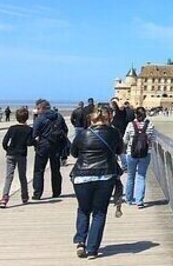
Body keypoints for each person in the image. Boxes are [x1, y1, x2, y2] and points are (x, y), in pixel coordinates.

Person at [70, 107, 124, 259]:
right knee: (99, 213)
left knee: (83, 209)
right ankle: (92, 249)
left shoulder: (82, 134)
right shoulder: (113, 133)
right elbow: (120, 150)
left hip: (82, 176)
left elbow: (74, 153)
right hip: (105, 176)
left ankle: (81, 242)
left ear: (91, 120)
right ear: (106, 119)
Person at [31, 99, 69, 200]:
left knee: (39, 170)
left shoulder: (40, 118)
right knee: (55, 169)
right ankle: (56, 191)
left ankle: (37, 193)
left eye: (38, 108)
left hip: (43, 146)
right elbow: (65, 129)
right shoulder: (59, 116)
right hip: (56, 145)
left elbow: (34, 134)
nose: (37, 110)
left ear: (41, 108)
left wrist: (36, 143)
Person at [0, 107, 34, 208]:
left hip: (11, 154)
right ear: (27, 117)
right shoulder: (29, 129)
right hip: (21, 154)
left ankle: (5, 197)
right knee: (22, 176)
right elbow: (29, 143)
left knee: (9, 176)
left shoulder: (12, 128)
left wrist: (8, 149)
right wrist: (35, 141)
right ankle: (24, 196)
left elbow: (4, 142)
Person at [123, 107, 155, 208]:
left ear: (136, 115)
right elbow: (152, 139)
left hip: (131, 153)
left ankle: (129, 199)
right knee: (141, 176)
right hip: (145, 153)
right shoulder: (150, 125)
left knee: (130, 176)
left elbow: (125, 140)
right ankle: (139, 201)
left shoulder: (130, 125)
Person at [110, 101, 128, 171]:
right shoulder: (116, 113)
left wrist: (116, 101)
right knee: (119, 150)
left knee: (119, 150)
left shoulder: (120, 112)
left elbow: (121, 108)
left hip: (118, 132)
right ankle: (123, 165)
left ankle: (124, 165)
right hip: (117, 132)